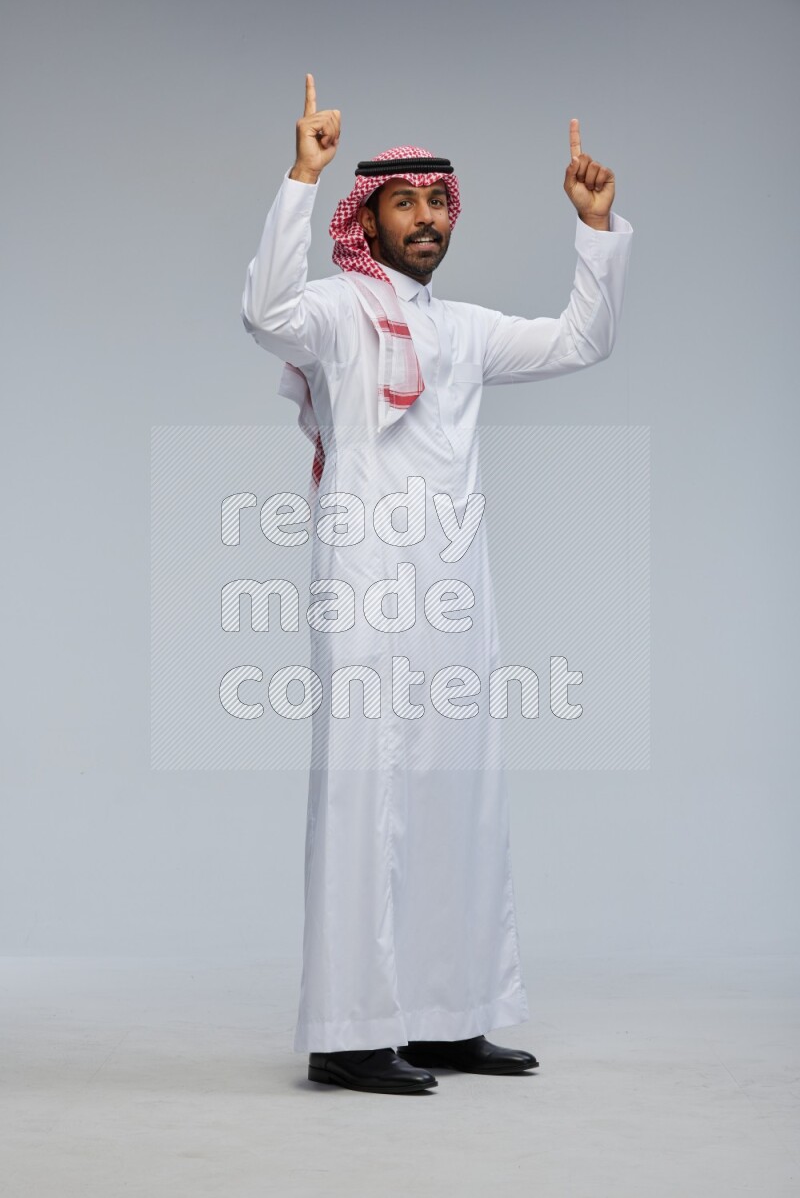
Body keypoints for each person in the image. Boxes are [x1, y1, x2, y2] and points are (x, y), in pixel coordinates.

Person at [241, 74, 634, 1095]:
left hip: (456, 585)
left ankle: (451, 1014)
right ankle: (349, 1030)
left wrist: (594, 232)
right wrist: (300, 173)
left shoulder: (458, 329)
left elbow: (579, 340)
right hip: (368, 581)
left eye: (437, 202)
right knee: (367, 796)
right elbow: (264, 310)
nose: (424, 218)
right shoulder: (332, 311)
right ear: (364, 217)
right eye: (404, 201)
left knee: (461, 791)